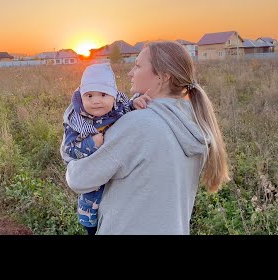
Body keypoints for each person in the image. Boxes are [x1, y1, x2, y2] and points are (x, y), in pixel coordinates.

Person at [62, 41, 230, 235]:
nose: (130, 72)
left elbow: (79, 179)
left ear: (162, 77)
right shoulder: (194, 122)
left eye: (138, 65)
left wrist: (76, 151)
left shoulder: (136, 125)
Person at [62, 63, 150, 235]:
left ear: (114, 96)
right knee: (92, 225)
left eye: (103, 94)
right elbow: (68, 151)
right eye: (89, 96)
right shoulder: (76, 122)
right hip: (91, 193)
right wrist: (90, 145)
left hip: (118, 193)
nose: (96, 101)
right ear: (81, 97)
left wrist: (135, 104)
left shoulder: (120, 109)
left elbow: (127, 111)